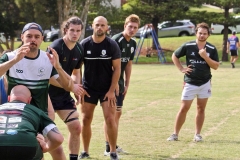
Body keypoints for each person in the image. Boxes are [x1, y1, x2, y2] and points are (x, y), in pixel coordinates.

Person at [0, 22, 83, 160]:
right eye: (29, 36)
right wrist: (15, 61)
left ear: (42, 39)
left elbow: (68, 86)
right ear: (22, 37)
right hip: (19, 116)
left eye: (37, 36)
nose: (33, 39)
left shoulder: (47, 59)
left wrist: (58, 67)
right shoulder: (11, 57)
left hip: (40, 116)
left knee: (57, 150)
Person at [167, 22, 219, 142]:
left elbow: (216, 66)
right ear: (196, 33)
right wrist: (181, 69)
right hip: (190, 82)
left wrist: (205, 56)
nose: (202, 35)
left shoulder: (211, 48)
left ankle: (197, 134)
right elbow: (175, 56)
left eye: (204, 34)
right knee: (184, 108)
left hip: (205, 82)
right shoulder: (188, 45)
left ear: (208, 35)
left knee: (201, 108)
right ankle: (175, 134)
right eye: (200, 33)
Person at [79, 16, 121, 160]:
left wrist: (111, 90)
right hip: (88, 89)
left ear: (107, 27)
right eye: (97, 25)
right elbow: (77, 69)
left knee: (110, 119)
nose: (100, 28)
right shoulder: (84, 44)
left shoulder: (112, 45)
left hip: (106, 90)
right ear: (92, 26)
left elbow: (117, 69)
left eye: (103, 25)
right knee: (85, 120)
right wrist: (78, 88)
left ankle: (113, 152)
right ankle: (85, 151)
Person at [47, 16, 87, 160]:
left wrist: (76, 87)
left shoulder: (79, 49)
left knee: (76, 127)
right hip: (47, 96)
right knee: (44, 133)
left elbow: (76, 72)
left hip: (63, 96)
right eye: (72, 30)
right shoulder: (55, 47)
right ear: (65, 30)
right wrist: (72, 87)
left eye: (78, 31)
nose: (75, 34)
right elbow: (49, 77)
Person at [103, 14, 140, 156]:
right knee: (110, 116)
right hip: (111, 83)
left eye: (135, 28)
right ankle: (108, 147)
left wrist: (127, 83)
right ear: (125, 26)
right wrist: (114, 85)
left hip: (120, 82)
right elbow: (108, 65)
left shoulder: (133, 43)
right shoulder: (116, 40)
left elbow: (128, 64)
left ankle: (112, 144)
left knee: (116, 115)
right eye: (130, 26)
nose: (132, 29)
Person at [0, 85, 64, 160]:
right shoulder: (36, 111)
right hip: (26, 145)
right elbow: (58, 138)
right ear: (29, 100)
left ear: (8, 98)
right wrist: (46, 147)